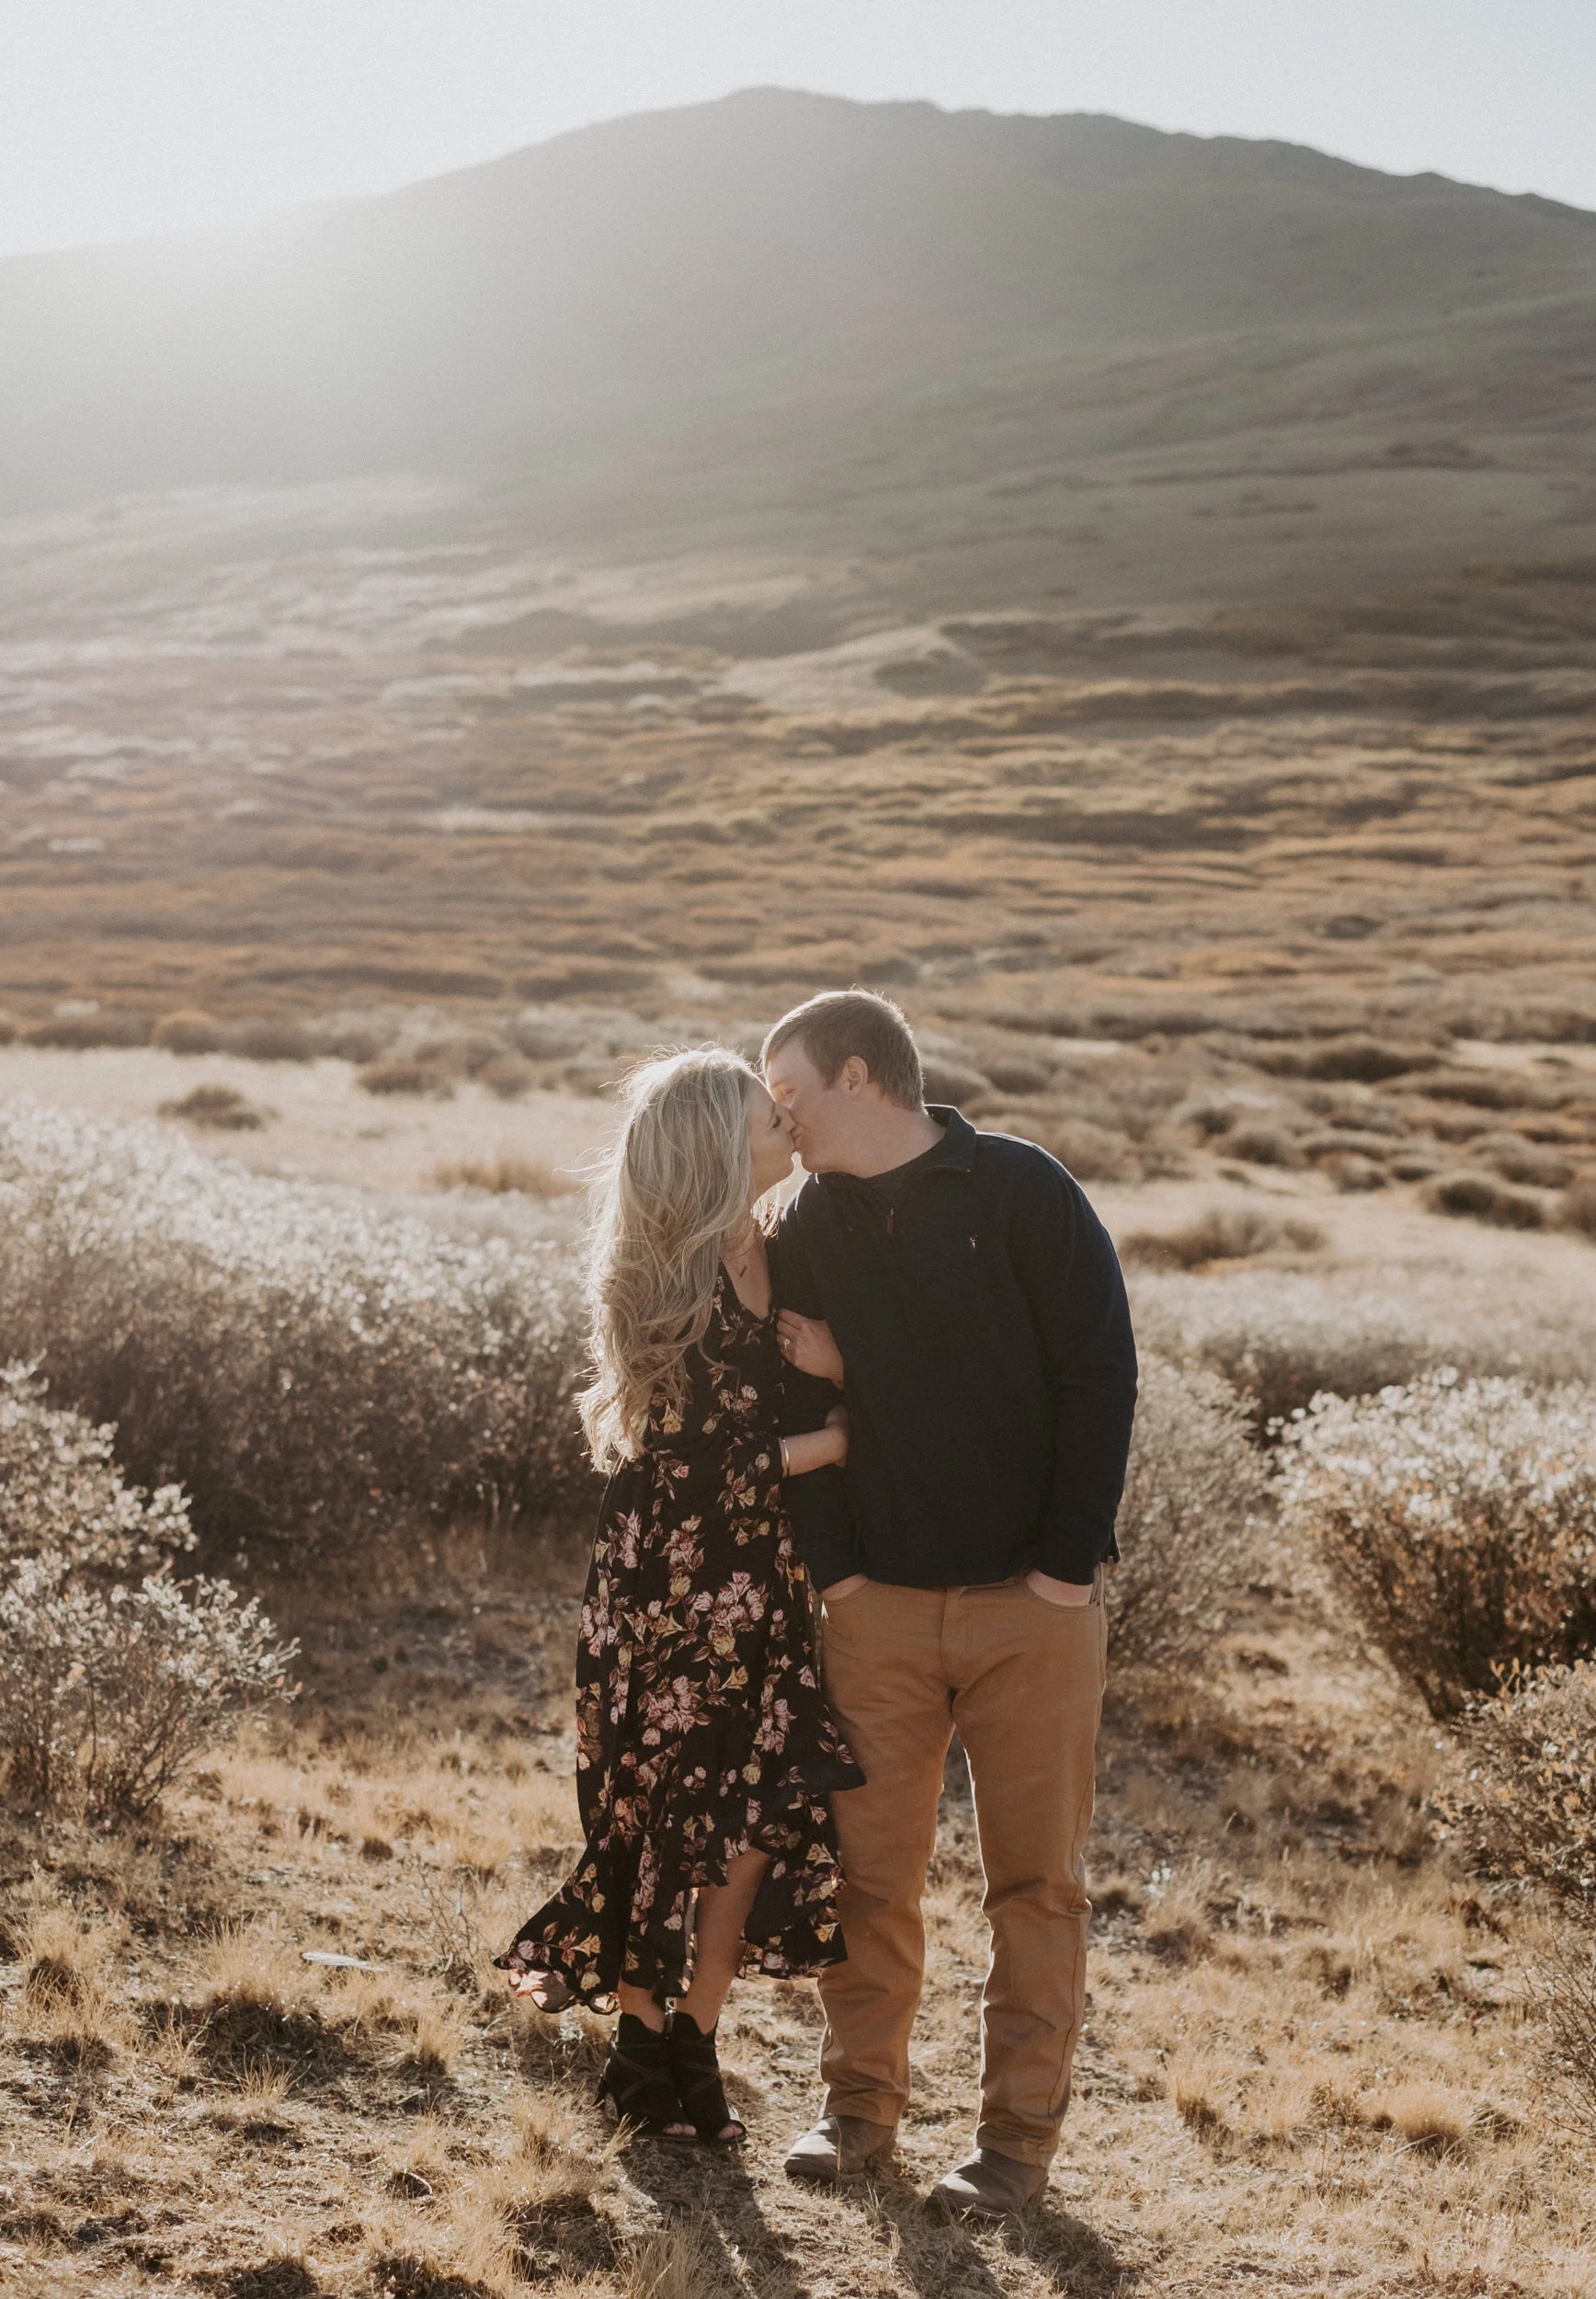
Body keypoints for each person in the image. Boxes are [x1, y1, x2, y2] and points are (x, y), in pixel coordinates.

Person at [764, 989, 1137, 2219]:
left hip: (1032, 1609)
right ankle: (858, 2111)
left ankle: (1014, 2144)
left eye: (791, 1093)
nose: (781, 1119)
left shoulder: (1022, 1189)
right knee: (869, 1875)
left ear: (858, 1075)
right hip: (878, 1611)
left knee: (1036, 1887)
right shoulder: (804, 1220)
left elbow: (1100, 1370)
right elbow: (795, 1407)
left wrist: (1065, 1568)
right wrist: (839, 1575)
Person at [496, 1047, 863, 2145]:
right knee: (659, 1811)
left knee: (756, 1815)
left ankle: (693, 2036)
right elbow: (679, 1465)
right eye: (766, 1118)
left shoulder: (781, 1248)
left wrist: (839, 1375)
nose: (787, 1130)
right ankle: (640, 2041)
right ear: (715, 1145)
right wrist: (836, 1438)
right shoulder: (656, 1272)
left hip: (759, 1580)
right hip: (668, 1581)